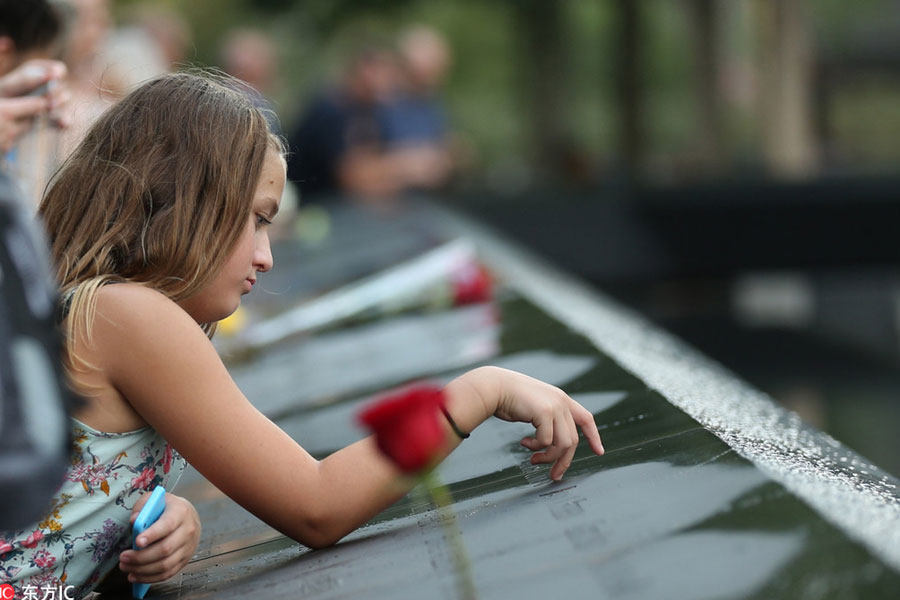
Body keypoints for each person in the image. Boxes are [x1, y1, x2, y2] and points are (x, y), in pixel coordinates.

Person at [1, 71, 604, 596]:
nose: (265, 256)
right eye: (256, 220)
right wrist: (477, 393)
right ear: (187, 203)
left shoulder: (97, 312)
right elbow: (316, 505)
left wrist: (144, 528)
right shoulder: (130, 316)